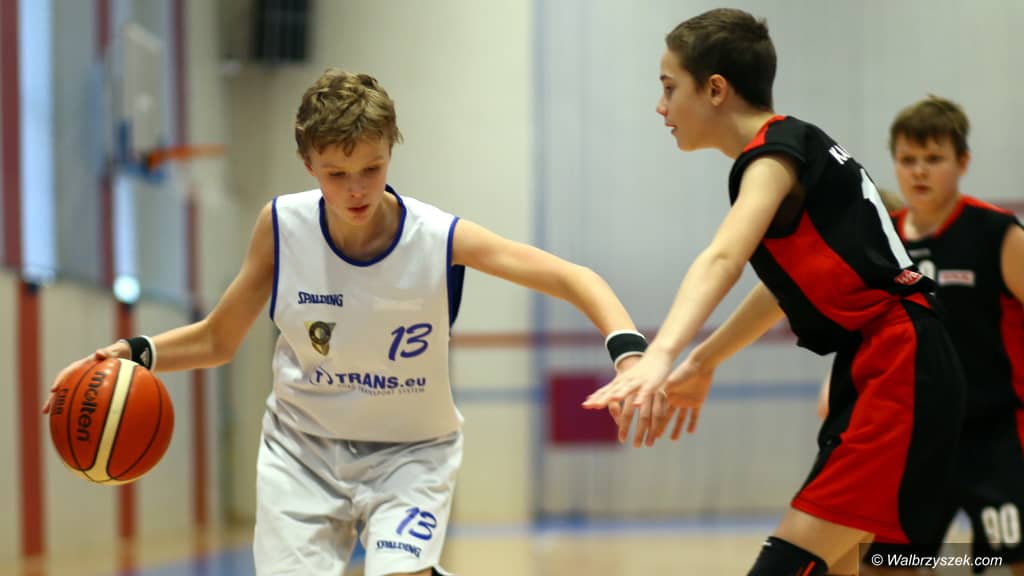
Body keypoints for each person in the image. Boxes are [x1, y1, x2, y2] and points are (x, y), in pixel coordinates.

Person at [43, 69, 646, 576]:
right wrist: (133, 351)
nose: (357, 189)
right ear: (307, 163)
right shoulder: (281, 227)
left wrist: (629, 354)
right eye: (337, 173)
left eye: (372, 168)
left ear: (390, 152)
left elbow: (574, 278)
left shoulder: (438, 238)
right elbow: (217, 338)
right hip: (301, 452)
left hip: (412, 453)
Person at [581, 9, 966, 575]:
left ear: (715, 89)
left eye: (669, 88)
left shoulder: (776, 152)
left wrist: (659, 355)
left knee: (793, 563)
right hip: (884, 362)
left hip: (902, 361)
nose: (660, 107)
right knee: (851, 565)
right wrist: (702, 361)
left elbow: (723, 257)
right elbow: (781, 289)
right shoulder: (792, 151)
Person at [855, 97, 1024, 575]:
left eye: (934, 158)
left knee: (1011, 559)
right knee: (889, 563)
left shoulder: (996, 233)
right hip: (913, 436)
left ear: (962, 162)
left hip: (993, 434)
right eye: (908, 159)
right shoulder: (883, 240)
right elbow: (868, 329)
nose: (919, 171)